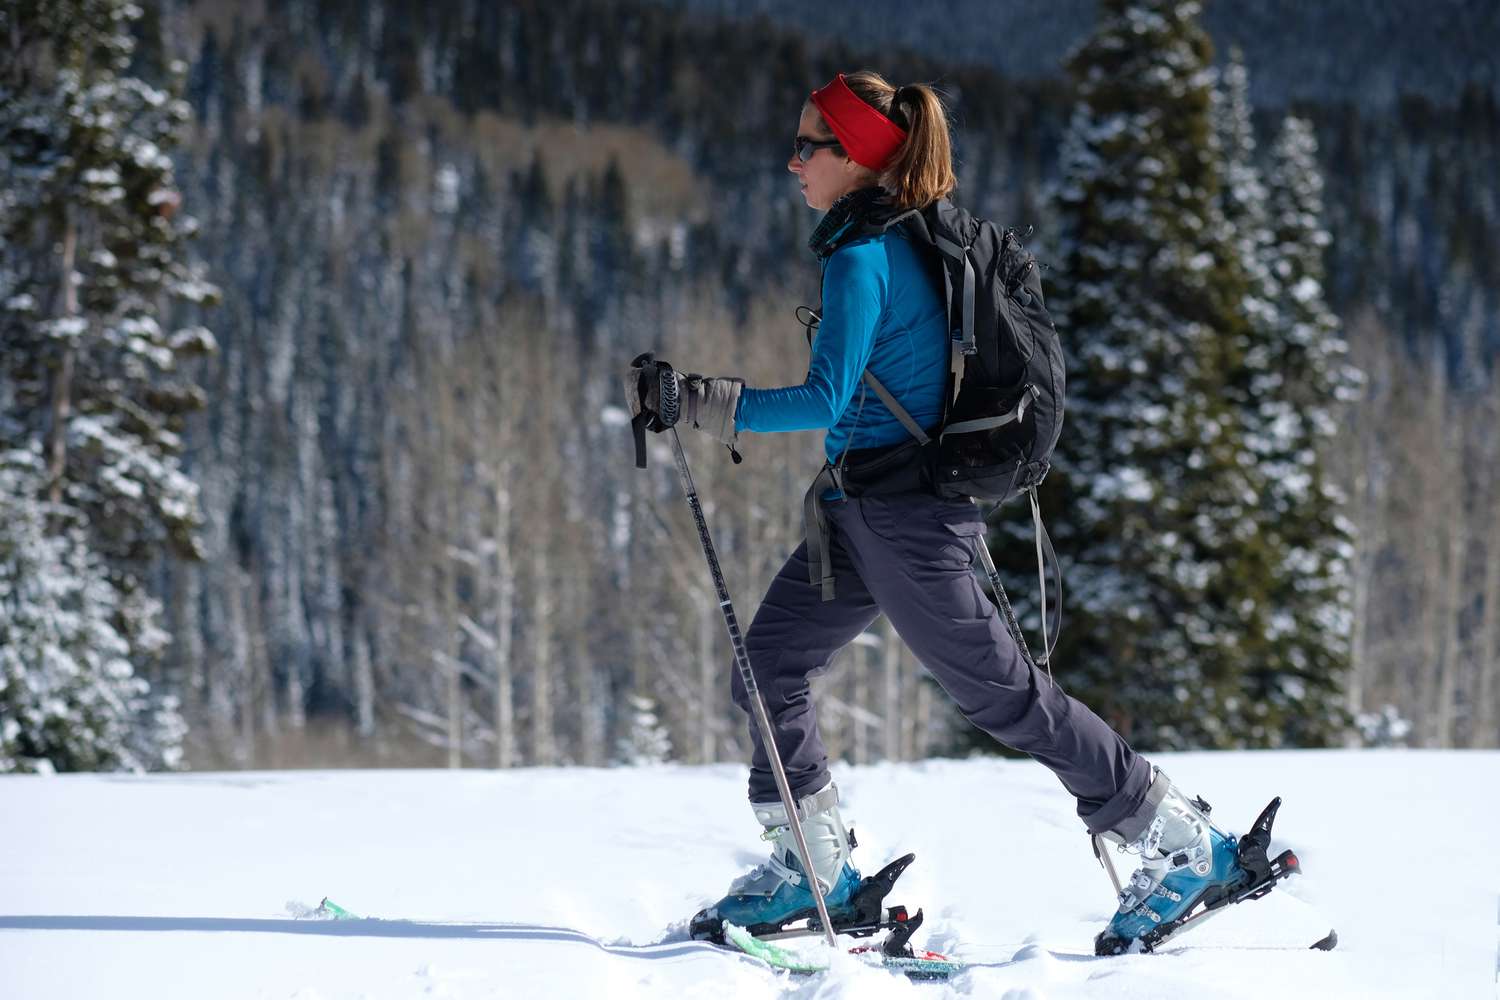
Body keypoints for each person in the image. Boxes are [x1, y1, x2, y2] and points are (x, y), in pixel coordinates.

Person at [628, 70, 1251, 954]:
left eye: (810, 145)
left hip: (908, 520)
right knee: (767, 667)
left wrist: (700, 400)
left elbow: (826, 397)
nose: (792, 160)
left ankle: (1185, 845)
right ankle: (814, 868)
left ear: (856, 159)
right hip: (860, 507)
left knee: (1004, 698)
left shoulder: (862, 256)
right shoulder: (889, 238)